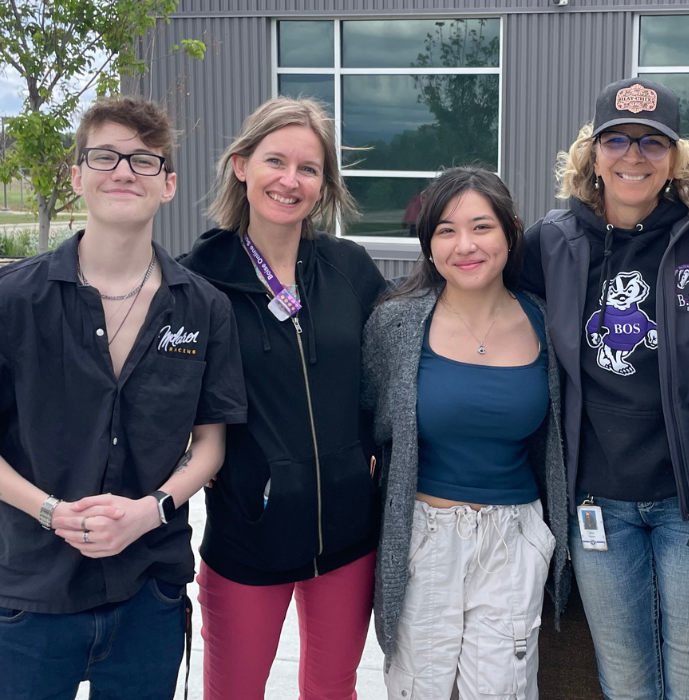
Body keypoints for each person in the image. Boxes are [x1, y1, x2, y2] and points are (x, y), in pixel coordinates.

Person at [0, 95, 246, 700]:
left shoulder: (204, 308)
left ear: (168, 184)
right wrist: (50, 510)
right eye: (105, 156)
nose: (124, 171)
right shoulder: (8, 300)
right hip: (27, 595)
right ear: (77, 177)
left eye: (144, 160)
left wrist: (149, 511)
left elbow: (210, 443)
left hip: (149, 594)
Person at [519, 77, 689, 700]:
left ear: (675, 157)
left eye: (651, 142)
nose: (633, 156)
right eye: (617, 140)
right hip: (598, 506)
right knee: (626, 681)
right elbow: (483, 298)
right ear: (592, 153)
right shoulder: (552, 242)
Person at [177, 96, 388, 700]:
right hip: (250, 532)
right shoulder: (199, 278)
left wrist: (373, 445)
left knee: (332, 688)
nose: (289, 181)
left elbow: (386, 365)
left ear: (324, 185)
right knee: (233, 690)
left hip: (348, 532)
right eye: (276, 161)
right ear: (241, 165)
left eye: (309, 168)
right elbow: (164, 387)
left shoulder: (350, 267)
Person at [364, 167, 570, 700]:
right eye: (446, 230)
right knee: (417, 689)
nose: (465, 245)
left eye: (481, 227)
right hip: (423, 537)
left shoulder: (548, 324)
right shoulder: (396, 324)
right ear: (428, 244)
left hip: (514, 537)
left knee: (502, 691)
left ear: (510, 232)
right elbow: (370, 426)